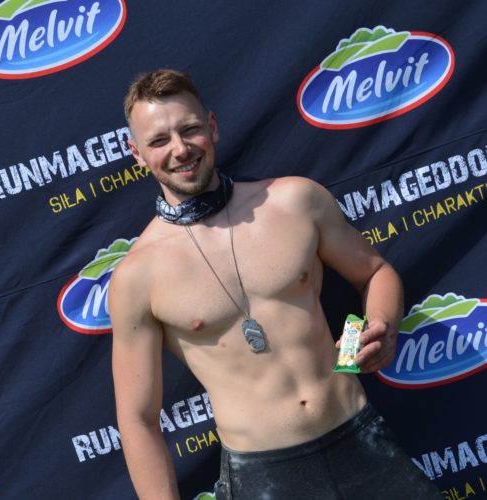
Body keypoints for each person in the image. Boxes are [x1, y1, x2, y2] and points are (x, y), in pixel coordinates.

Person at [110, 69, 442, 500]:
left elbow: (374, 273)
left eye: (189, 129)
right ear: (137, 153)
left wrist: (377, 326)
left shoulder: (294, 200)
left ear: (212, 126)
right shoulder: (137, 276)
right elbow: (138, 419)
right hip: (261, 476)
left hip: (361, 437)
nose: (180, 149)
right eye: (159, 140)